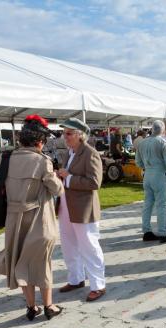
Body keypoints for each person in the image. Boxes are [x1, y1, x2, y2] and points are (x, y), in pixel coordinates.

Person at [0, 114, 64, 321]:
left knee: (20, 263)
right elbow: (57, 190)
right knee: (41, 263)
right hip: (38, 218)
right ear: (40, 141)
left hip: (13, 219)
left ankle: (31, 307)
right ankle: (48, 306)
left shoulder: (7, 158)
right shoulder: (42, 161)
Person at [56, 118, 107, 302]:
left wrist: (68, 178)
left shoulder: (90, 153)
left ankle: (98, 285)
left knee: (89, 247)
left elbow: (95, 182)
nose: (65, 137)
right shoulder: (69, 152)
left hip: (84, 209)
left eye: (68, 133)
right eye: (64, 133)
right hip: (66, 207)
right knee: (69, 246)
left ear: (80, 135)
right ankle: (76, 279)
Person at [135, 120, 166, 243]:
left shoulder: (142, 143)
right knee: (162, 204)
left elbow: (138, 162)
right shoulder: (163, 142)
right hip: (159, 175)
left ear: (152, 129)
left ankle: (146, 231)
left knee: (147, 204)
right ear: (162, 130)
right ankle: (163, 232)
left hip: (147, 175)